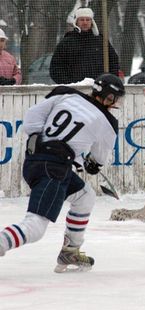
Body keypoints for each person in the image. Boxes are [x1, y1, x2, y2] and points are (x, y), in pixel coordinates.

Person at [0, 74, 125, 272]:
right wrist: (91, 164)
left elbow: (32, 118)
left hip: (35, 162)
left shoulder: (66, 94)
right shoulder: (107, 122)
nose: (114, 103)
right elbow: (98, 159)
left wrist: (48, 145)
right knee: (35, 227)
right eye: (114, 99)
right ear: (108, 98)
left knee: (85, 195)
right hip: (54, 170)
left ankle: (70, 251)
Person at [50, 7, 120, 84]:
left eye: (88, 19)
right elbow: (56, 68)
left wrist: (108, 82)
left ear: (92, 22)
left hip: (99, 89)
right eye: (82, 19)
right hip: (74, 91)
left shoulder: (101, 41)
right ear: (76, 22)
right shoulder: (67, 43)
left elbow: (114, 62)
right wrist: (69, 84)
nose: (85, 22)